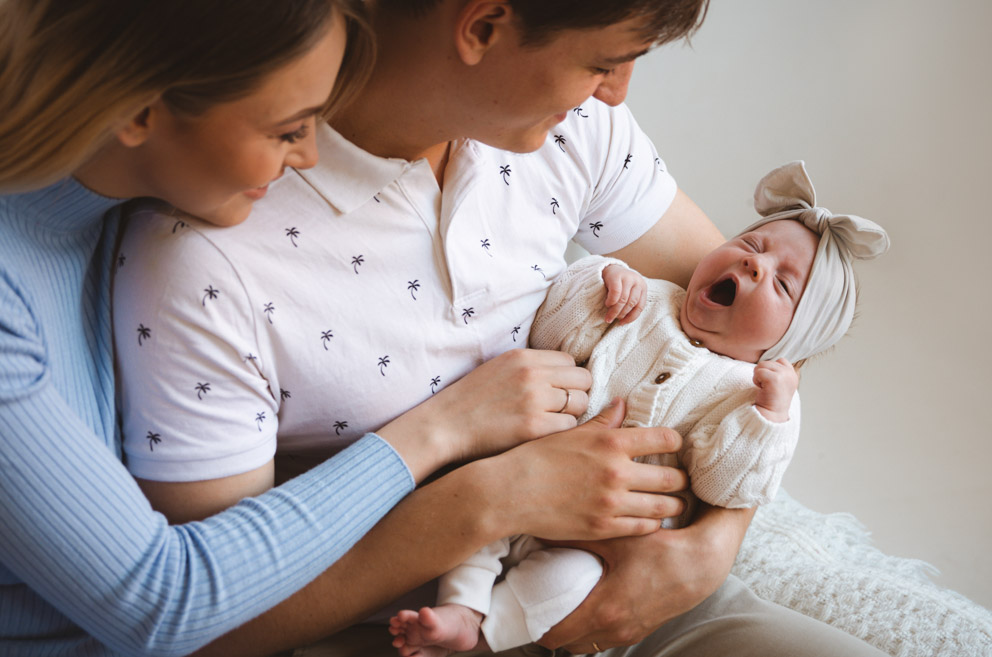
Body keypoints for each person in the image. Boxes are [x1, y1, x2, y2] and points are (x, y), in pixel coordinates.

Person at [120, 3, 890, 657]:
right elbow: (212, 617)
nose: (618, 93)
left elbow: (759, 331)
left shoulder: (576, 128)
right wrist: (496, 497)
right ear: (483, 24)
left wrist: (709, 548)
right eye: (607, 61)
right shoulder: (208, 249)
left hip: (633, 576)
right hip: (396, 622)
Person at [0, 2, 678, 655]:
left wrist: (708, 545)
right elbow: (159, 605)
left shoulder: (103, 208)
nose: (310, 156)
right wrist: (451, 439)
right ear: (141, 108)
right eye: (289, 127)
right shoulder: (68, 278)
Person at [387, 161, 890, 656]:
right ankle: (460, 610)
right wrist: (602, 283)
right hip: (516, 488)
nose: (754, 263)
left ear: (790, 346)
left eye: (782, 285)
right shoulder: (648, 299)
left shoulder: (753, 396)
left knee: (567, 582)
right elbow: (552, 333)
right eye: (750, 245)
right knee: (474, 535)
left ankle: (488, 635)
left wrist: (767, 420)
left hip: (602, 548)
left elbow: (725, 486)